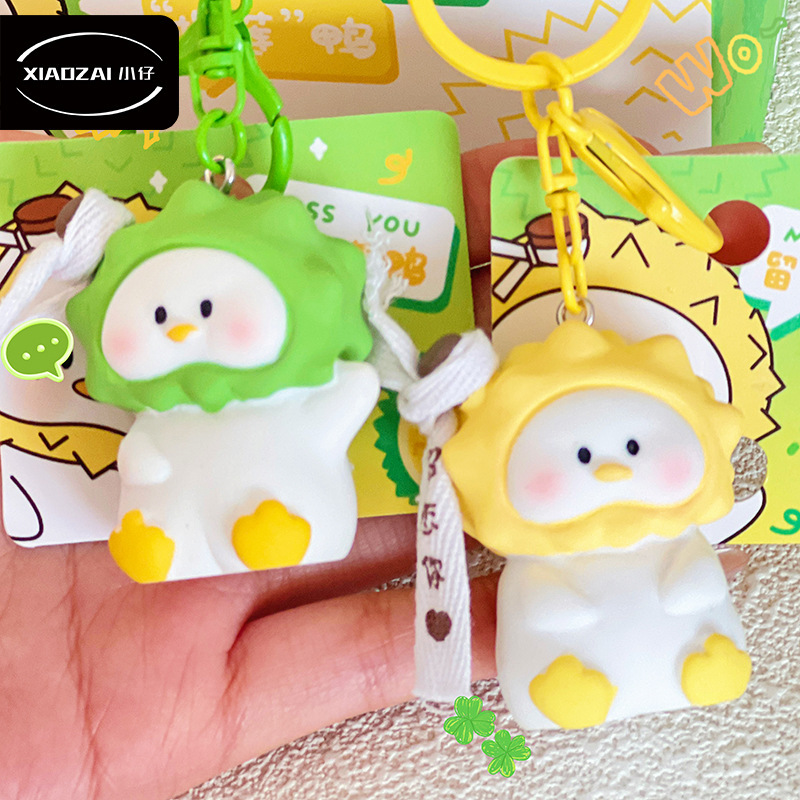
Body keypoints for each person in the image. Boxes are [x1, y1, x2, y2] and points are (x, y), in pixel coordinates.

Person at [0, 129, 756, 800]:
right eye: (159, 315)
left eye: (626, 449)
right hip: (183, 484)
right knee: (157, 492)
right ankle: (168, 540)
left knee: (606, 630)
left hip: (297, 497)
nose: (182, 330)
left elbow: (351, 393)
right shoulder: (171, 407)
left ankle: (649, 672)